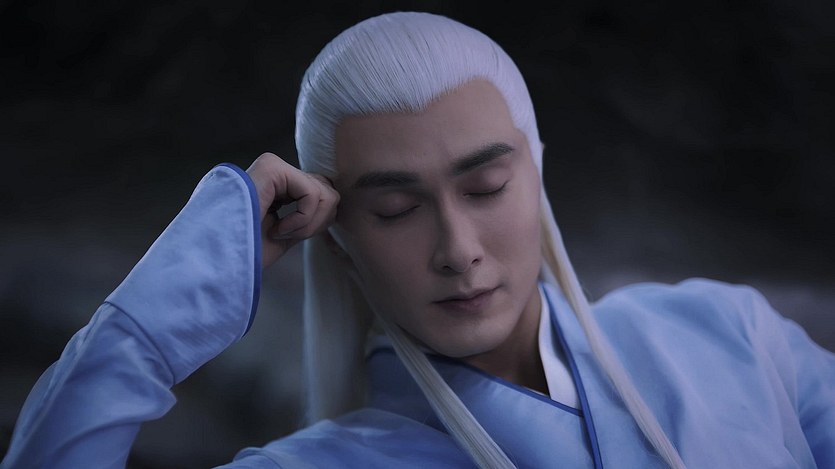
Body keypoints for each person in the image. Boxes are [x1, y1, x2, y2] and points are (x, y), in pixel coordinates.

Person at [2, 10, 833, 469]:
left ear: (537, 171)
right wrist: (151, 325)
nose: (457, 247)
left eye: (486, 186)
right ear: (337, 238)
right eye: (396, 208)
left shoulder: (726, 332)